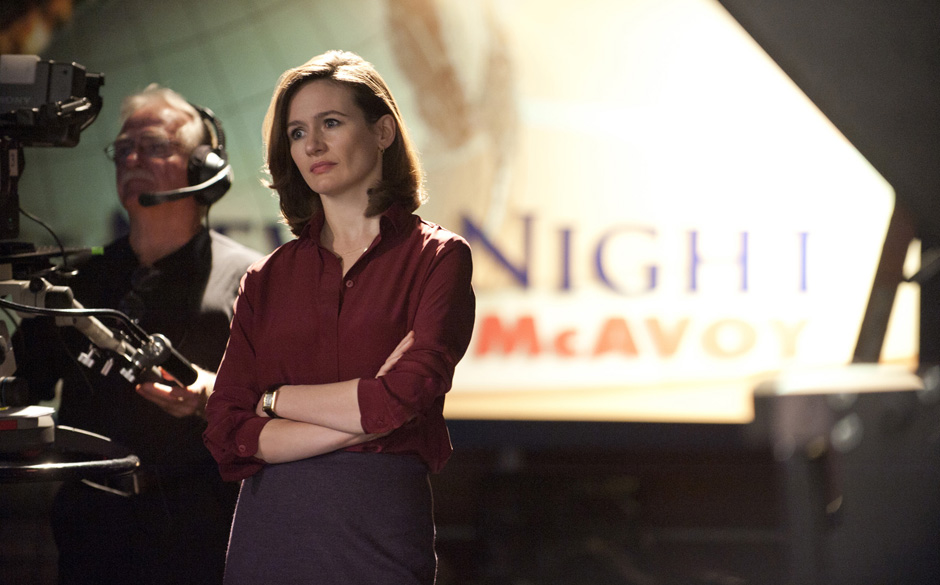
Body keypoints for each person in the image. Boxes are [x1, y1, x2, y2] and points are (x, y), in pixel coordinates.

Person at [202, 50, 476, 584]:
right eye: (297, 132)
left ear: (383, 131)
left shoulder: (438, 258)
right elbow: (227, 429)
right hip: (269, 538)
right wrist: (366, 418)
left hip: (377, 534)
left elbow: (405, 395)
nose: (313, 145)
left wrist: (274, 400)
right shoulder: (266, 278)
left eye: (330, 123)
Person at [13, 85, 263, 584]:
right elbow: (21, 386)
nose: (131, 158)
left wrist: (210, 396)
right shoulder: (77, 283)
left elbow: (284, 403)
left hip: (201, 532)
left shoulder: (252, 279)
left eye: (153, 146)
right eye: (123, 148)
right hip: (89, 531)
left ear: (202, 167)